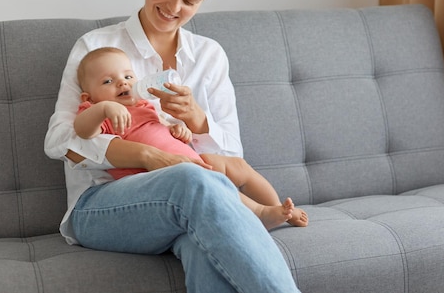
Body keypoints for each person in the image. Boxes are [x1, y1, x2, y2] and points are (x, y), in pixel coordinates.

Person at [44, 0, 301, 292]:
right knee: (192, 182)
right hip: (99, 204)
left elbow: (230, 158)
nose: (173, 7)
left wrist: (198, 121)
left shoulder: (209, 56)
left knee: (201, 243)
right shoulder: (96, 47)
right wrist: (147, 156)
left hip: (189, 202)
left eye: (190, 0)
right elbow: (58, 141)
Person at [74, 46, 308, 229]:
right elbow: (83, 131)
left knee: (236, 166)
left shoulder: (145, 105)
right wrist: (104, 109)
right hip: (155, 178)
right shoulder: (100, 112)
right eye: (108, 81)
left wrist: (179, 130)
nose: (122, 83)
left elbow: (162, 128)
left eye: (128, 76)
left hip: (190, 158)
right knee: (209, 180)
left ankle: (278, 208)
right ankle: (258, 213)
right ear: (89, 96)